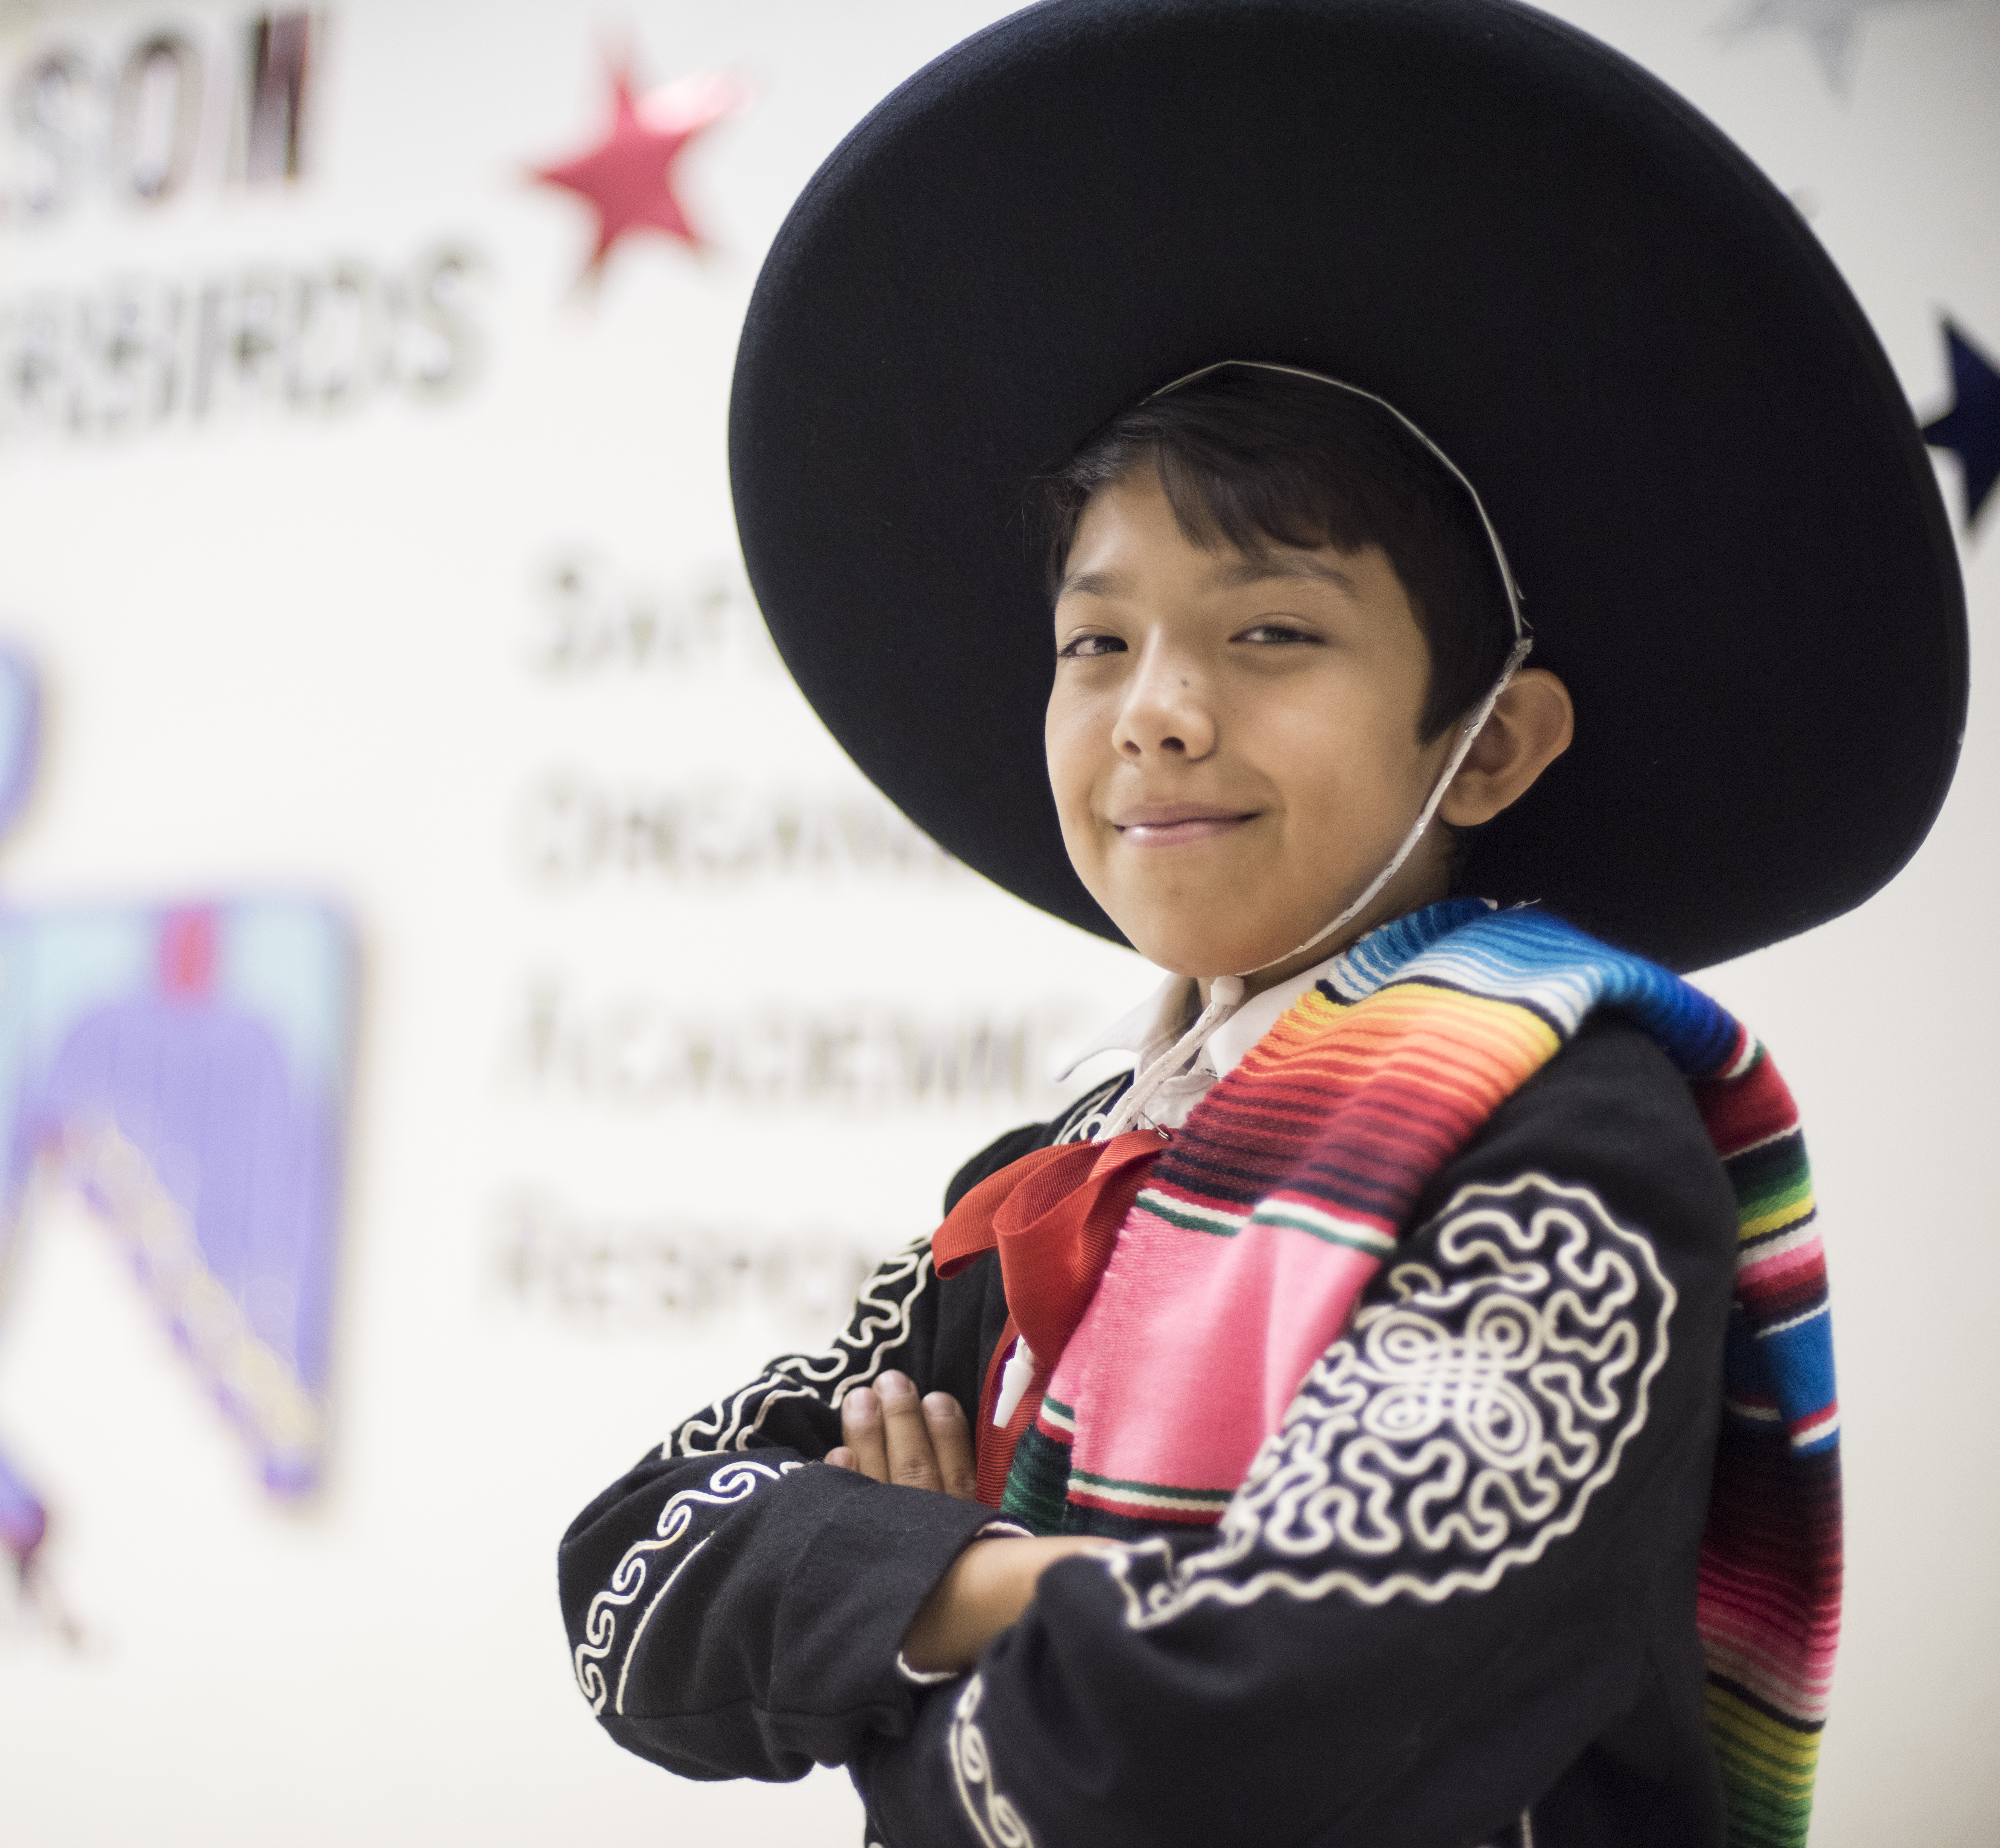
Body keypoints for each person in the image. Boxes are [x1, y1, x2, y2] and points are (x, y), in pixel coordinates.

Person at [555, 3, 1966, 1845]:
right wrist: (1017, 1588)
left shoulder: (1570, 1148)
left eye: (1271, 633)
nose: (1154, 707)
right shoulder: (1058, 1164)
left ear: (1489, 744)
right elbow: (625, 1567)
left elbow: (1231, 1743)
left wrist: (905, 1607)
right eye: (1096, 640)